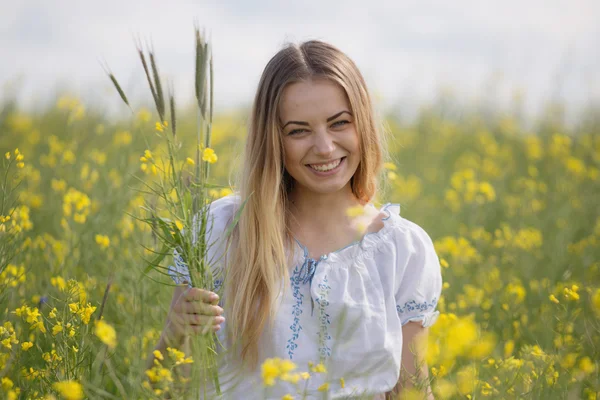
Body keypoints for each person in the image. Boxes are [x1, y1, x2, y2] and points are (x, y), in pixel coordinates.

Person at [154, 40, 443, 399]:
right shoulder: (223, 228)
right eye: (298, 130)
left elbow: (412, 392)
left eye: (339, 123)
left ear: (363, 124)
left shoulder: (403, 250)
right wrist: (176, 330)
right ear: (273, 139)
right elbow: (161, 387)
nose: (324, 147)